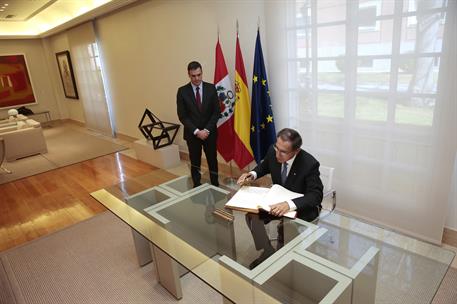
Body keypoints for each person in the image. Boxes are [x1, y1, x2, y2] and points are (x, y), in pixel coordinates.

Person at [237, 128, 323, 268]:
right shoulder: (274, 151)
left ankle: (282, 262)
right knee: (251, 217)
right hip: (276, 201)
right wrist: (252, 174)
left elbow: (316, 195)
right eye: (277, 148)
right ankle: (267, 250)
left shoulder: (309, 164)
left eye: (283, 152)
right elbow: (264, 166)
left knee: (285, 228)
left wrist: (289, 204)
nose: (277, 154)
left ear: (296, 151)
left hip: (300, 207)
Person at [177, 61, 220, 187]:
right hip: (192, 134)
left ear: (202, 73)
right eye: (193, 76)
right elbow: (182, 116)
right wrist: (196, 131)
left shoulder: (211, 88)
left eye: (199, 75)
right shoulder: (182, 91)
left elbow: (216, 112)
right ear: (189, 75)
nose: (196, 78)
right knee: (195, 162)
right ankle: (196, 185)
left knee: (212, 160)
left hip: (209, 134)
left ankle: (215, 184)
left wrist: (206, 130)